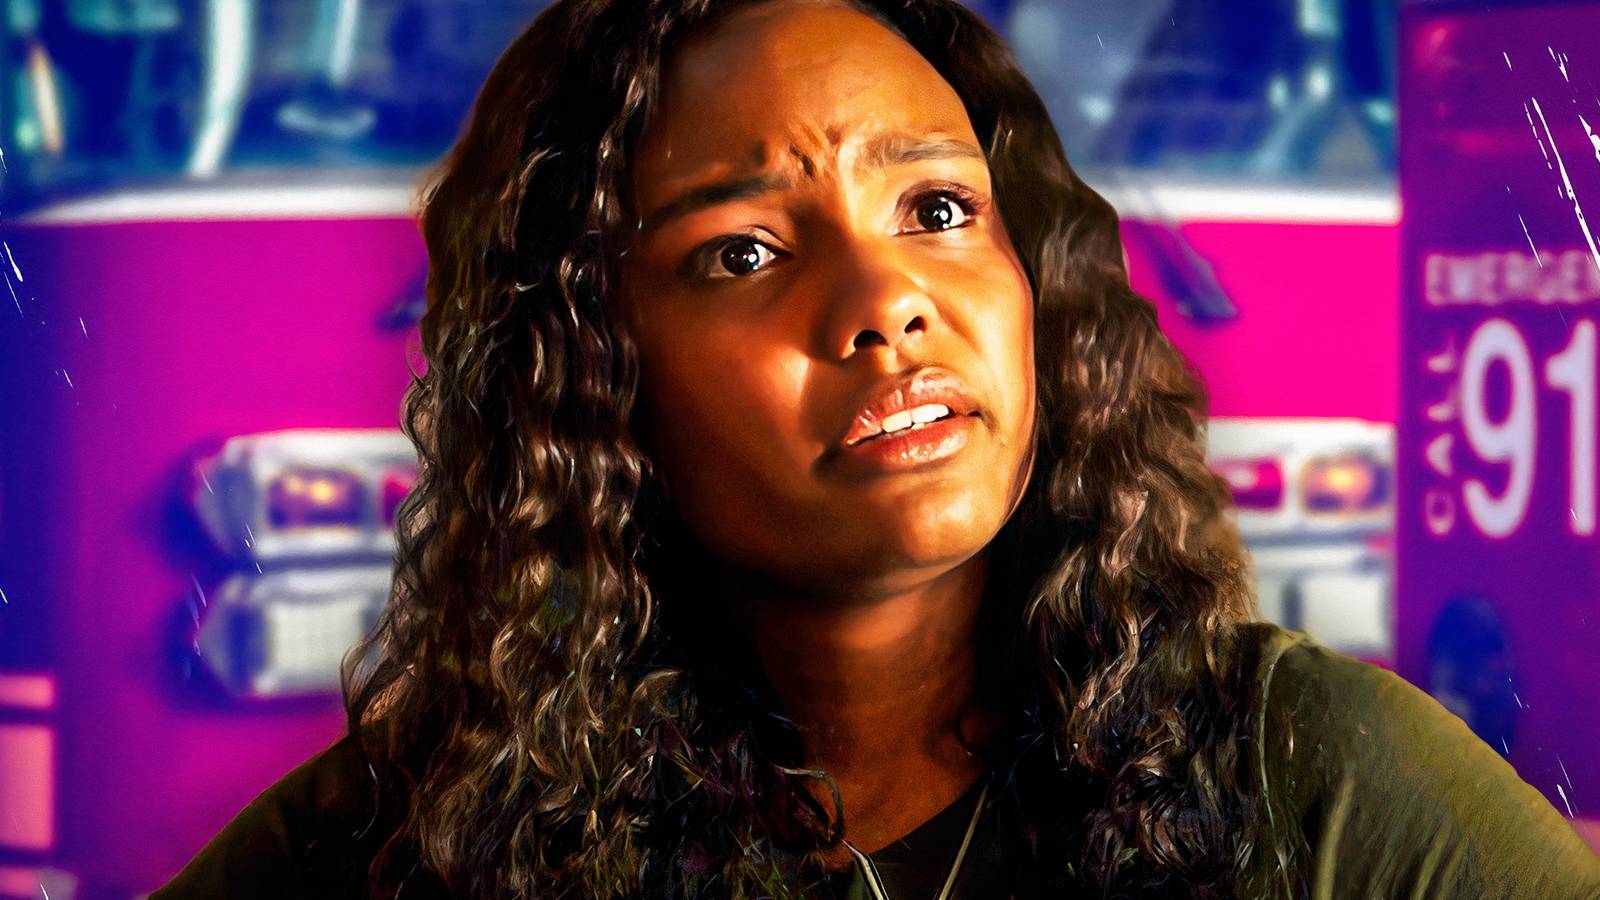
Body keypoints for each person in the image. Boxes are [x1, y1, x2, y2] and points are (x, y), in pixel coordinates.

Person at [153, 0, 1600, 897]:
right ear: (588, 373)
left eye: (939, 212)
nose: (886, 302)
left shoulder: (1316, 783)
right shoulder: (413, 845)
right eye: (742, 252)